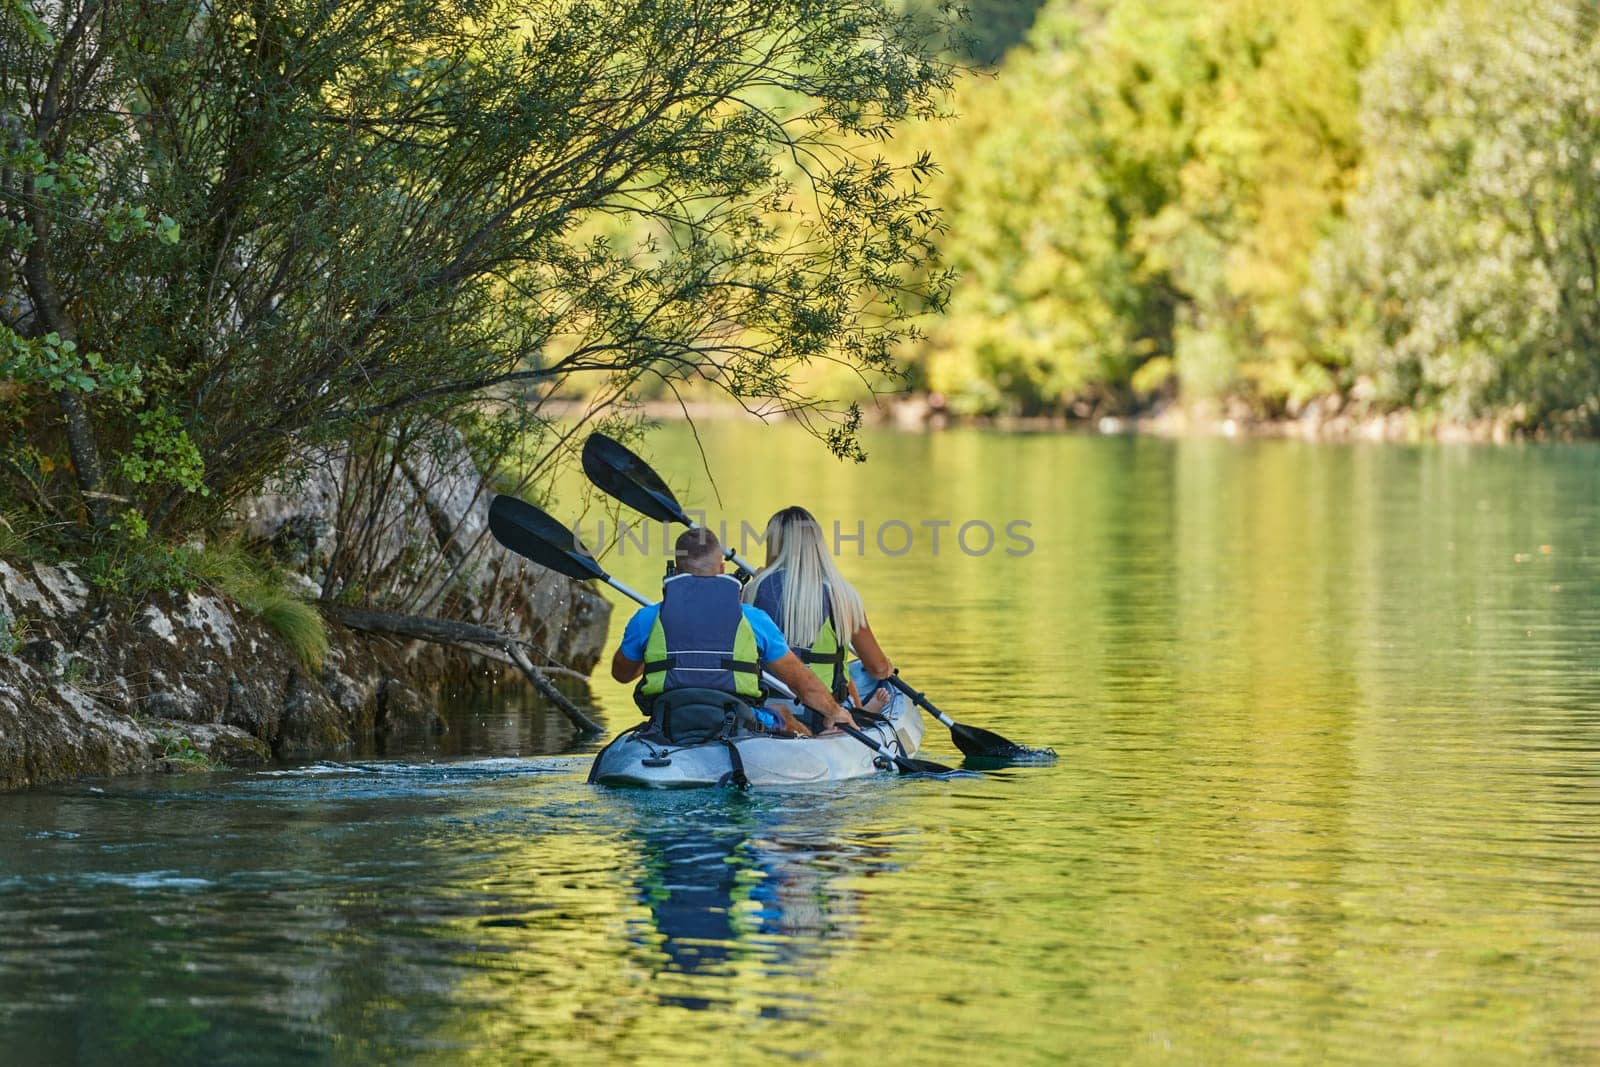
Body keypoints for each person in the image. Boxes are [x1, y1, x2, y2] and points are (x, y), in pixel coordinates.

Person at [611, 527, 856, 735]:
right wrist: (835, 711)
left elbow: (621, 674)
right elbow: (799, 680)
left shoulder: (647, 619)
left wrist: (659, 655)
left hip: (669, 717)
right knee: (781, 714)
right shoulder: (752, 619)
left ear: (676, 570)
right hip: (734, 717)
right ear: (721, 568)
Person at [743, 506, 895, 721]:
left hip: (770, 707)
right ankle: (863, 711)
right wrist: (887, 667)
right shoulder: (842, 594)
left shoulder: (753, 589)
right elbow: (877, 668)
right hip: (826, 711)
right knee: (860, 674)